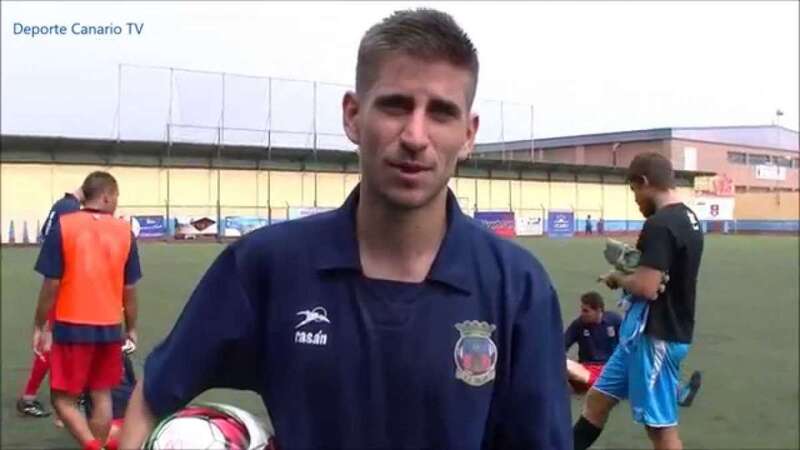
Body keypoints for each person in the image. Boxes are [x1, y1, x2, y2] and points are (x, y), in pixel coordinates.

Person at [119, 8, 572, 450]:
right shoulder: (266, 265)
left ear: (469, 135)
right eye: (395, 106)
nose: (415, 136)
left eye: (440, 113)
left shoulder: (517, 286)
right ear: (354, 116)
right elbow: (153, 394)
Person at [573, 152, 704, 450]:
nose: (635, 199)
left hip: (657, 336)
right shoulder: (689, 218)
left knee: (660, 430)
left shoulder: (660, 223)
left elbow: (646, 287)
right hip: (641, 336)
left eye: (634, 190)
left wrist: (618, 278)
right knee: (597, 400)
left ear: (644, 182)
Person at [33, 171, 141, 450]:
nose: (117, 202)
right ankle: (98, 444)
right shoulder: (124, 232)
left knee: (62, 400)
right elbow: (129, 290)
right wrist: (130, 328)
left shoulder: (65, 226)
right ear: (106, 196)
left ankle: (93, 447)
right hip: (109, 327)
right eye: (116, 196)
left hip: (71, 325)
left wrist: (40, 325)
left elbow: (51, 284)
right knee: (102, 394)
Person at [17, 187, 84, 420]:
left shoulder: (61, 205)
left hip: (62, 280)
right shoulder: (72, 209)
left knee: (61, 339)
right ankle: (29, 398)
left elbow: (47, 235)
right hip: (64, 282)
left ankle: (72, 393)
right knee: (54, 339)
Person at [565, 292, 622, 394]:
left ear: (598, 311)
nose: (582, 314)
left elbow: (629, 344)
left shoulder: (614, 320)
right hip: (586, 369)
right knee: (563, 364)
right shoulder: (578, 324)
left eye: (586, 311)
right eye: (582, 310)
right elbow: (561, 346)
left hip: (609, 369)